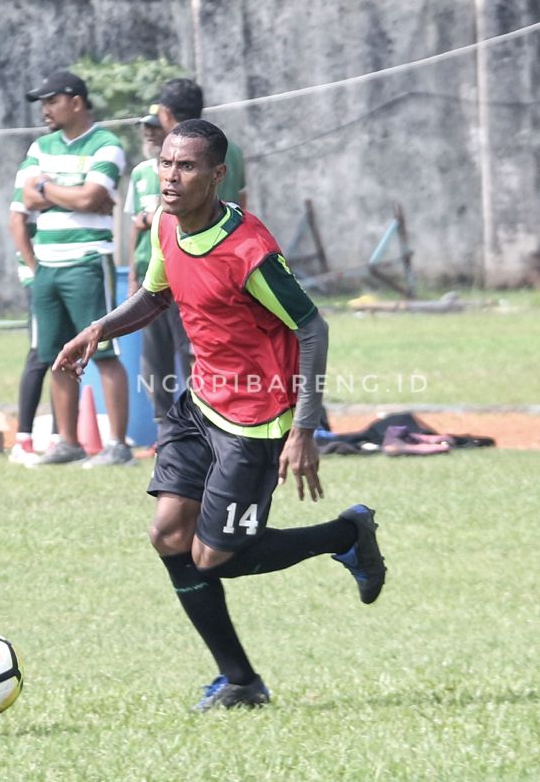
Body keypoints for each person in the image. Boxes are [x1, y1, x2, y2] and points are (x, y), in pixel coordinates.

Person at [53, 119, 386, 711]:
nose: (171, 178)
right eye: (165, 164)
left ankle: (347, 534)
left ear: (216, 174)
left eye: (185, 167)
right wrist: (100, 328)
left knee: (215, 557)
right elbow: (158, 294)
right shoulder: (164, 223)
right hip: (199, 402)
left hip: (256, 421)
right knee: (167, 535)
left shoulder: (248, 251)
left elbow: (312, 327)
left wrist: (304, 428)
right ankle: (239, 681)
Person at [16, 70, 130, 467]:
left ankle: (117, 445)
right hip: (47, 265)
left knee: (104, 352)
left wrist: (49, 188)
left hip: (86, 262)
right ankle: (68, 442)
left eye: (51, 101)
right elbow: (28, 197)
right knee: (57, 355)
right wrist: (66, 193)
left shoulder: (107, 144)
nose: (45, 110)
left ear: (76, 102)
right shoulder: (40, 146)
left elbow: (91, 198)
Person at [126, 108, 192, 438]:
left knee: (190, 351)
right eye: (145, 127)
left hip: (183, 275)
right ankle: (165, 429)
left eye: (154, 126)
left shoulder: (185, 173)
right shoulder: (140, 173)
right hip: (150, 274)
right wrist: (133, 280)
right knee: (154, 359)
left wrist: (151, 218)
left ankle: (200, 424)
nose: (149, 133)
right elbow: (134, 227)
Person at [155, 78, 248, 211]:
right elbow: (242, 199)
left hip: (195, 229)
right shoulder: (233, 150)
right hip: (230, 227)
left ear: (165, 113)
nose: (171, 175)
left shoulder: (169, 152)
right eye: (166, 164)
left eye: (187, 166)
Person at [8, 162, 48, 463]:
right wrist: (34, 267)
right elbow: (16, 221)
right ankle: (23, 439)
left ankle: (62, 437)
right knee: (39, 352)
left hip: (68, 270)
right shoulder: (34, 167)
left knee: (67, 352)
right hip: (42, 276)